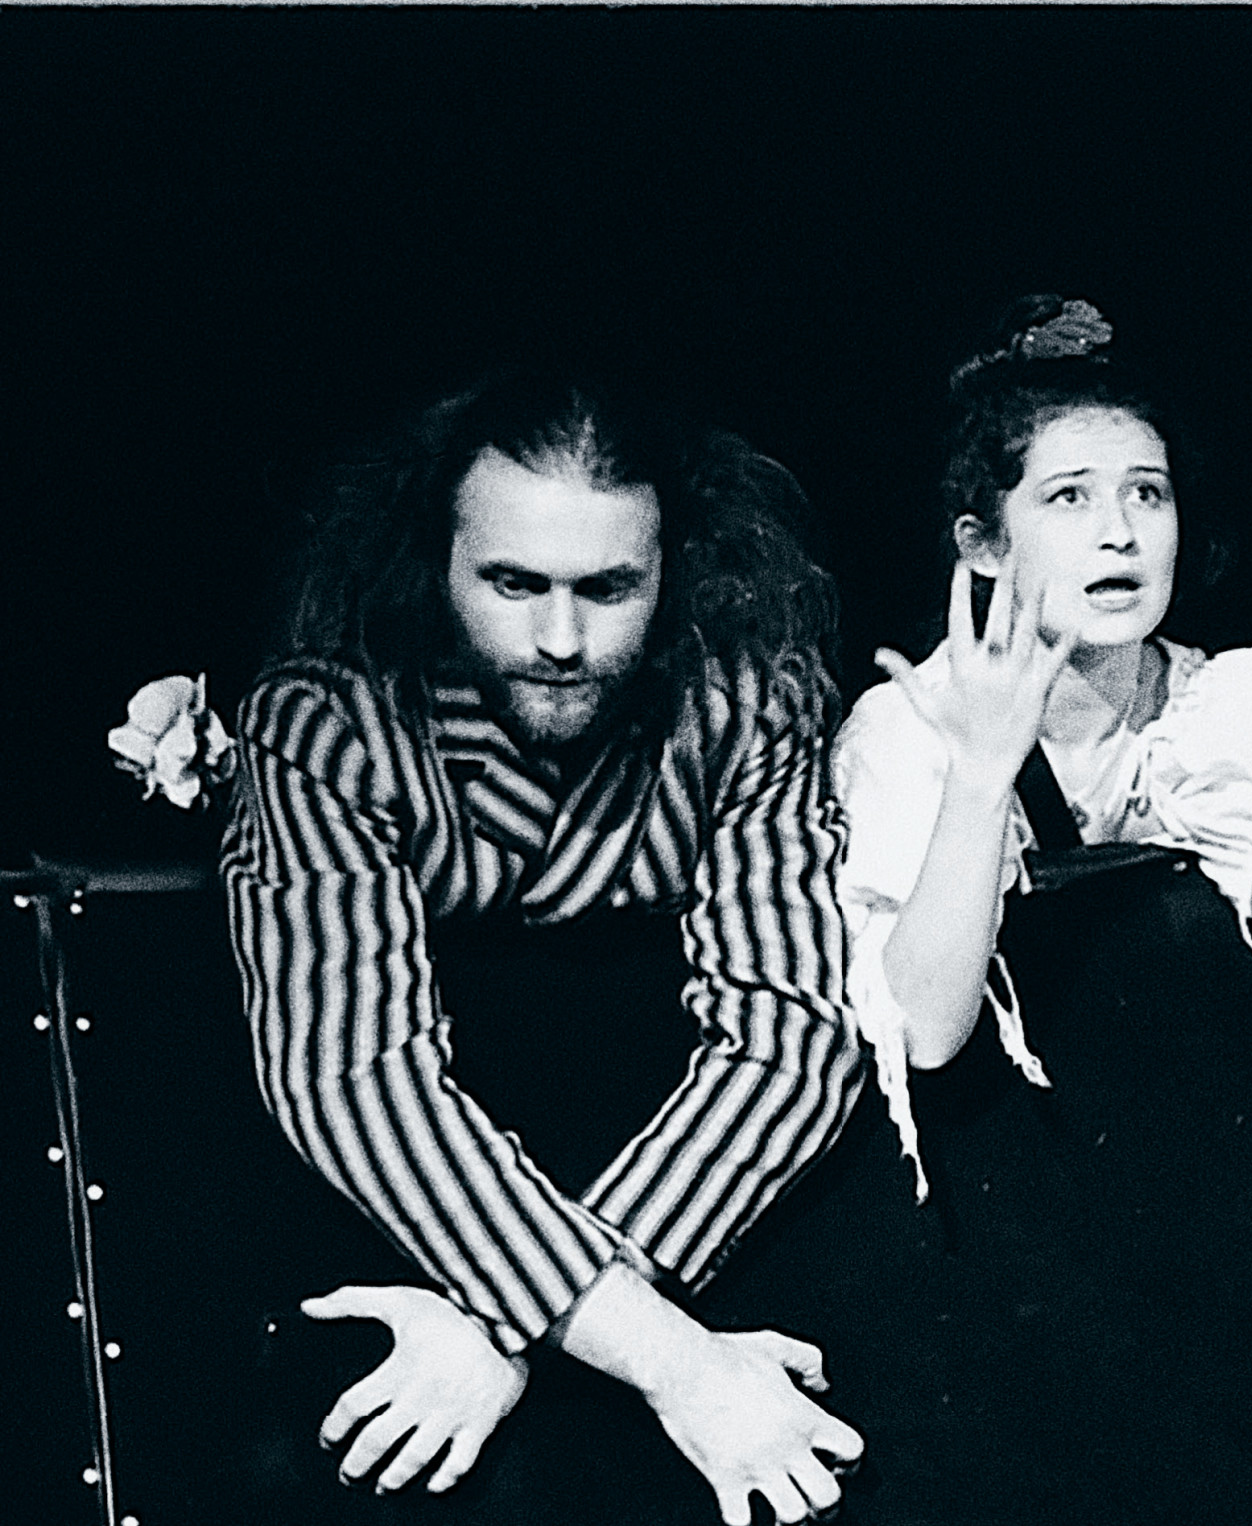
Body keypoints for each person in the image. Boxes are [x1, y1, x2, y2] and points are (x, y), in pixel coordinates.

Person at [702, 295, 1252, 1524]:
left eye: (1147, 493)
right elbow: (925, 1030)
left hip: (1231, 1231)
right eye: (1068, 497)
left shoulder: (1238, 704)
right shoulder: (908, 726)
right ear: (982, 543)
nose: (1120, 531)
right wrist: (984, 772)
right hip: (1010, 1248)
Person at [218, 370, 865, 1525]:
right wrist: (677, 1363)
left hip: (681, 1235)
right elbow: (351, 1075)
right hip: (399, 1243)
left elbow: (794, 1038)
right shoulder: (327, 723)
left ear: (673, 568)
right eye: (512, 583)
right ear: (435, 560)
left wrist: (508, 1329)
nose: (560, 640)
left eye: (608, 588)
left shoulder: (748, 703)